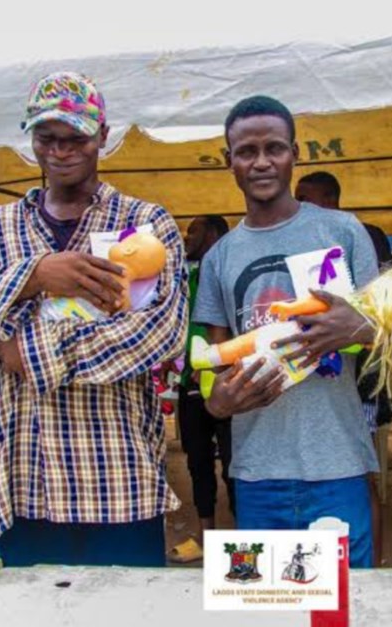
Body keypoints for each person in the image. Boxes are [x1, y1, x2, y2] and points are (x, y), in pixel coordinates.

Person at [0, 72, 188, 567]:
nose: (60, 151)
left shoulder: (144, 225)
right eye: (47, 138)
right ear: (32, 141)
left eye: (75, 137)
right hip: (25, 483)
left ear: (102, 135)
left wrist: (22, 353)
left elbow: (158, 335)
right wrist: (33, 277)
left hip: (118, 483)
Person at [193, 95, 380, 567]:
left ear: (295, 153)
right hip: (256, 471)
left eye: (274, 148)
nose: (261, 162)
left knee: (342, 606)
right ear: (228, 160)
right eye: (246, 151)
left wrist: (361, 325)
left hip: (339, 463)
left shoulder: (343, 231)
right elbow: (214, 361)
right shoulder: (220, 257)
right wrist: (216, 402)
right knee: (266, 609)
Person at [295, 170, 392, 564]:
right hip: (316, 375)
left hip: (361, 378)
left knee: (360, 469)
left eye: (308, 197)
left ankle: (374, 569)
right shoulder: (297, 239)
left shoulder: (362, 236)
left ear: (331, 201)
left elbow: (386, 315)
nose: (300, 204)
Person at [169, 214, 233, 563]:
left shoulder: (231, 267)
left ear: (212, 233)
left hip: (231, 385)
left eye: (193, 230)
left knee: (236, 465)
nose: (187, 237)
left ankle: (241, 539)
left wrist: (215, 362)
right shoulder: (189, 274)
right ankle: (206, 537)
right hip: (191, 383)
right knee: (198, 461)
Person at [296, 171, 392, 265]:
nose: (299, 205)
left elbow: (382, 278)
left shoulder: (367, 234)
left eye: (304, 199)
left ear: (329, 199)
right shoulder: (298, 237)